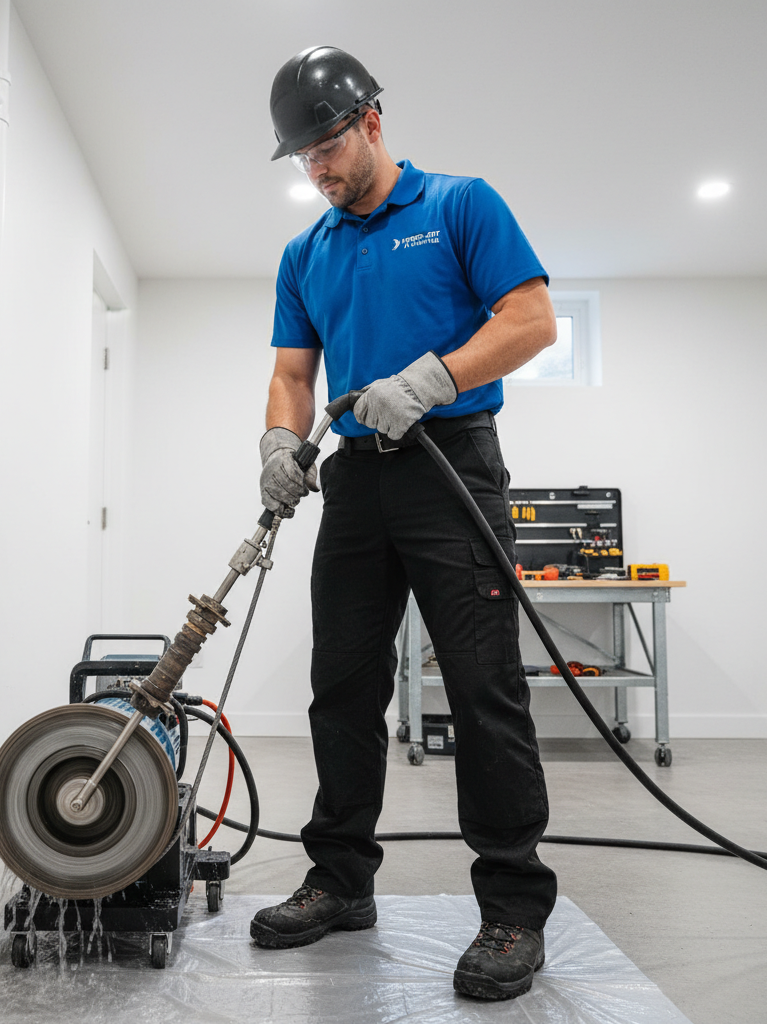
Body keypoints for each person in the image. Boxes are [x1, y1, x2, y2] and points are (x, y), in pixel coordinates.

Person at [250, 46, 560, 1001]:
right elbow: (295, 373)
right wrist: (276, 442)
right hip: (355, 480)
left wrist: (433, 377)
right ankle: (341, 882)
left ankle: (511, 907)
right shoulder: (307, 252)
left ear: (372, 123)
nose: (318, 168)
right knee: (340, 686)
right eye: (303, 156)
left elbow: (533, 318)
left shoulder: (460, 206)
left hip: (452, 465)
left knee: (481, 686)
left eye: (328, 145)